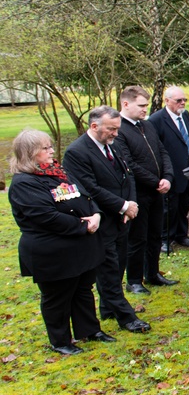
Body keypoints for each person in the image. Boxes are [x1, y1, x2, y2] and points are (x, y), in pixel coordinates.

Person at [7, 129, 115, 354]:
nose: (50, 151)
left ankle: (89, 330)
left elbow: (84, 196)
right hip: (52, 251)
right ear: (29, 153)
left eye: (50, 146)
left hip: (80, 246)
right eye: (44, 148)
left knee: (83, 289)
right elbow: (45, 216)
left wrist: (96, 215)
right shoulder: (24, 182)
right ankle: (60, 340)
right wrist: (83, 226)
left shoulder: (58, 173)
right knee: (58, 296)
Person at [63, 106, 151, 333]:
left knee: (118, 264)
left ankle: (108, 308)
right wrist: (122, 206)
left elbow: (128, 175)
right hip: (102, 219)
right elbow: (90, 188)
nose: (116, 133)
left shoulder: (113, 146)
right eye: (111, 129)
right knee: (109, 268)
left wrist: (131, 205)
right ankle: (126, 317)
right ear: (94, 126)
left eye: (117, 128)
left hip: (122, 218)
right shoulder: (77, 153)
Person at [118, 85, 178, 294]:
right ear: (126, 104)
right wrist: (155, 182)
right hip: (138, 193)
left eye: (146, 105)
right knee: (137, 237)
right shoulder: (119, 130)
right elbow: (129, 164)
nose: (145, 109)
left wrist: (168, 177)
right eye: (141, 105)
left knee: (155, 234)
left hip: (158, 190)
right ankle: (134, 279)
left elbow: (162, 152)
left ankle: (152, 273)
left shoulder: (147, 125)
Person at [148, 86, 189, 252]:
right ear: (167, 101)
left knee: (185, 204)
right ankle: (165, 238)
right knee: (169, 207)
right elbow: (156, 148)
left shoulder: (185, 115)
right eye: (179, 100)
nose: (182, 103)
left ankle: (181, 234)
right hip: (171, 171)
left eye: (184, 100)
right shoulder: (156, 120)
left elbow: (188, 139)